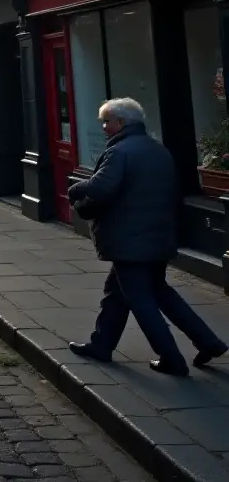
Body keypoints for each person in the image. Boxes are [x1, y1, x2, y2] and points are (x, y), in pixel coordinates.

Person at [67, 98, 227, 376]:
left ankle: (171, 359)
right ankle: (103, 345)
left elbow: (101, 188)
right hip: (158, 236)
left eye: (107, 121)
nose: (104, 127)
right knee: (135, 293)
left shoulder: (120, 152)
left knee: (140, 300)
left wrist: (76, 194)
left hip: (129, 240)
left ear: (121, 122)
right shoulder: (158, 149)